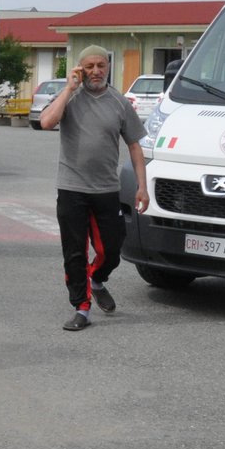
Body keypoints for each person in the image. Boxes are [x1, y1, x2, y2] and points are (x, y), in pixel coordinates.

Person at [39, 45, 150, 331]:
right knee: (74, 251)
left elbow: (135, 145)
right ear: (80, 69)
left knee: (112, 249)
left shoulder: (119, 102)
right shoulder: (70, 98)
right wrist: (68, 88)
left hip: (106, 189)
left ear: (108, 67)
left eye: (101, 65)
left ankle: (97, 278)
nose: (96, 71)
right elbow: (46, 121)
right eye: (89, 66)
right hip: (71, 187)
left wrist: (142, 186)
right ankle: (82, 307)